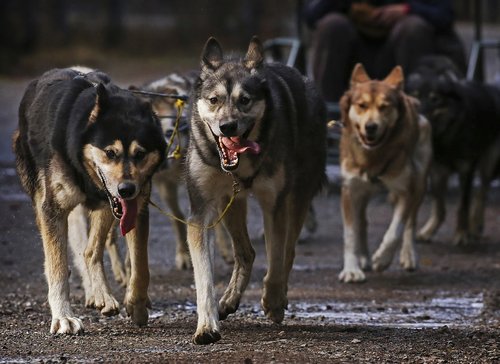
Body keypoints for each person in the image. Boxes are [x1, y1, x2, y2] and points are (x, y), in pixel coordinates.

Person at [304, 0, 466, 102]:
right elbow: (311, 15)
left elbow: (444, 15)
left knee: (412, 27)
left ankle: (415, 117)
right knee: (332, 25)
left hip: (406, 51)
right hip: (353, 54)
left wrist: (407, 9)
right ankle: (328, 120)